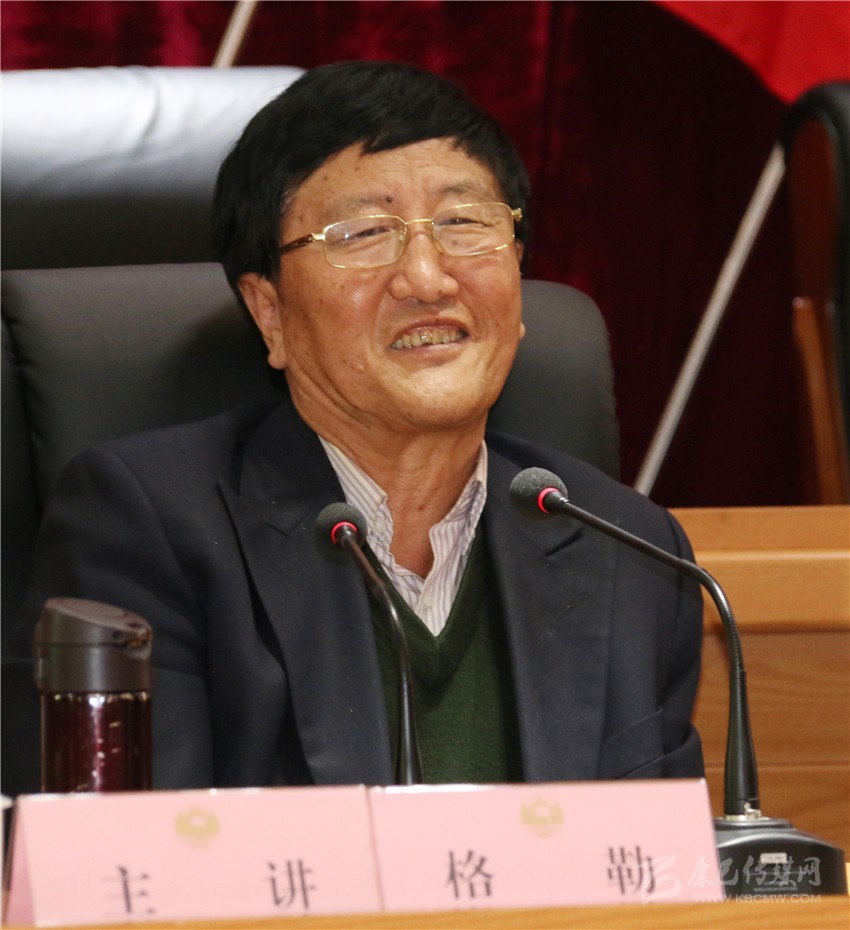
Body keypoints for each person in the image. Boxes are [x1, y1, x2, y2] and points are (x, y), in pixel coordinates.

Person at [9, 60, 703, 793]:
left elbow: (660, 855)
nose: (428, 278)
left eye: (465, 223)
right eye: (365, 233)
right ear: (270, 313)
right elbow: (139, 853)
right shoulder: (148, 533)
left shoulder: (632, 554)